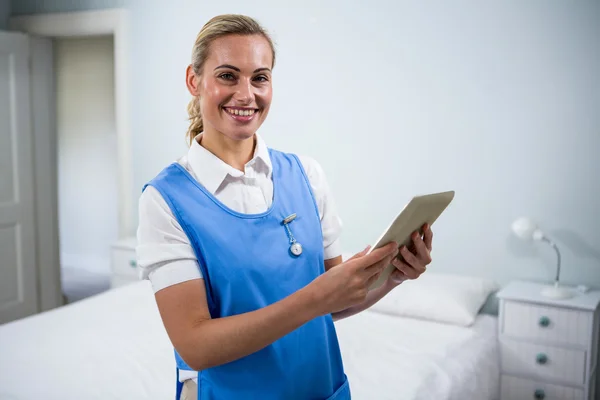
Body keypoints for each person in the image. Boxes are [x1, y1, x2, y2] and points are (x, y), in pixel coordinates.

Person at [136, 14, 434, 400]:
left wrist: (394, 275)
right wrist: (316, 297)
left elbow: (334, 304)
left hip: (321, 389)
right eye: (228, 75)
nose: (246, 95)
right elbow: (195, 345)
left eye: (260, 77)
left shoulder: (306, 175)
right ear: (195, 81)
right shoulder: (166, 200)